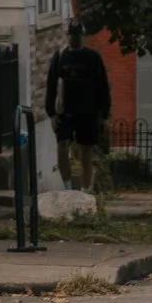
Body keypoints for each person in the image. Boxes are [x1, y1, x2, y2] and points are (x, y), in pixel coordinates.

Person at [45, 23, 113, 191]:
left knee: (86, 152)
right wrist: (52, 114)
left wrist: (104, 115)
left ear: (83, 36)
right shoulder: (60, 57)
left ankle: (85, 189)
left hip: (87, 111)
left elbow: (102, 86)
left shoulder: (92, 58)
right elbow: (51, 86)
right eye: (72, 34)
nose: (74, 38)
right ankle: (68, 187)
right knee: (62, 146)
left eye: (77, 35)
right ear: (67, 35)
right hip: (65, 112)